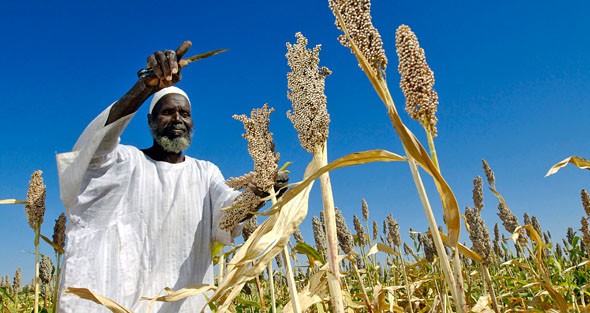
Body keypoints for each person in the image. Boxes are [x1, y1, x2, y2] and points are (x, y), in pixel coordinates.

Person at [56, 42, 277, 312]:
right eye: (167, 112)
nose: (177, 119)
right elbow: (93, 149)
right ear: (151, 122)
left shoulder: (205, 173)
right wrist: (146, 85)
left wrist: (258, 195)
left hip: (186, 304)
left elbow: (227, 213)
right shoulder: (126, 162)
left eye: (184, 113)